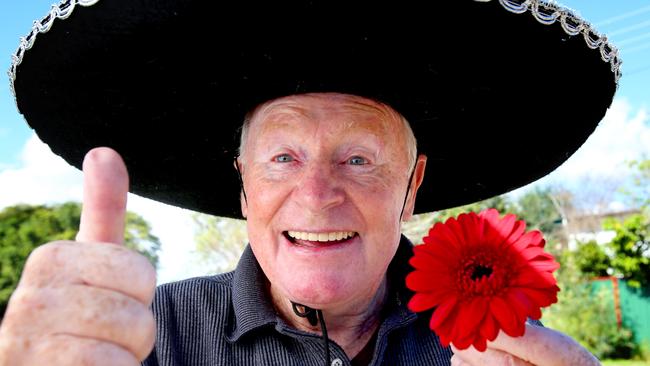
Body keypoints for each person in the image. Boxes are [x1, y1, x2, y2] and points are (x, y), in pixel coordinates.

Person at [1, 0, 620, 365]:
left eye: (358, 159)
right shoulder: (141, 339)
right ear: (243, 184)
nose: (318, 194)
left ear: (411, 186)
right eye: (283, 158)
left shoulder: (497, 345)